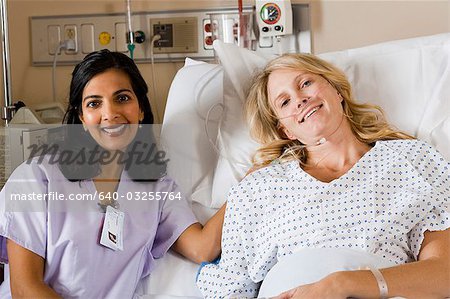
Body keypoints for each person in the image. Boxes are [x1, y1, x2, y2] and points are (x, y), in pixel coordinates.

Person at [196, 53, 450, 298]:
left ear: (336, 91)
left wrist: (343, 284)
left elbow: (444, 274)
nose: (299, 99)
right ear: (286, 131)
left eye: (306, 83)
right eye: (284, 102)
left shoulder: (411, 160)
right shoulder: (258, 188)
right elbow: (230, 285)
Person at [0, 49, 225, 298]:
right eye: (94, 103)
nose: (110, 114)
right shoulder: (36, 178)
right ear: (82, 118)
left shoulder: (157, 188)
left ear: (140, 109)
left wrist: (252, 180)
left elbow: (202, 249)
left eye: (122, 98)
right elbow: (25, 289)